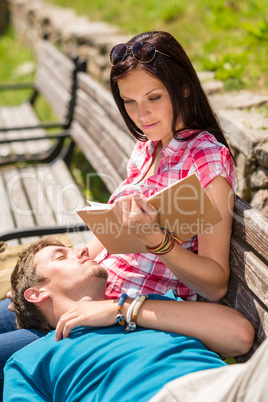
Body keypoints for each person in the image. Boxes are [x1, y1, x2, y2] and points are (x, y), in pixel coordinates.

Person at [0, 30, 237, 385]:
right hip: (87, 289)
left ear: (184, 88)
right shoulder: (147, 148)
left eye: (153, 97)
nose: (141, 115)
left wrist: (157, 240)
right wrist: (74, 259)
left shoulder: (205, 160)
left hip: (119, 315)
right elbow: (117, 232)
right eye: (128, 102)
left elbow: (216, 285)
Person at [3, 238, 267, 402]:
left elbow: (239, 335)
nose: (81, 250)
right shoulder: (29, 361)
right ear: (36, 294)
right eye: (62, 256)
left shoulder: (148, 305)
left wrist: (123, 309)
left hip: (222, 387)